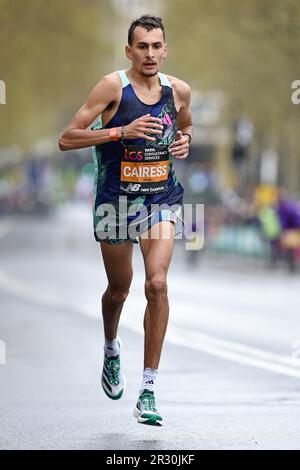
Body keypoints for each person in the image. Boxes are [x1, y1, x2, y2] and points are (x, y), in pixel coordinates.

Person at [58, 15, 192, 426]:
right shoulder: (112, 87)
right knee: (119, 290)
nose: (149, 54)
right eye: (142, 46)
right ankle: (112, 347)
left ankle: (148, 389)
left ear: (165, 49)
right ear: (129, 50)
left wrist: (186, 142)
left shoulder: (179, 91)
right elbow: (67, 138)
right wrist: (120, 132)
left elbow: (185, 126)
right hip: (115, 202)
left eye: (156, 46)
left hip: (160, 198)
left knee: (157, 283)